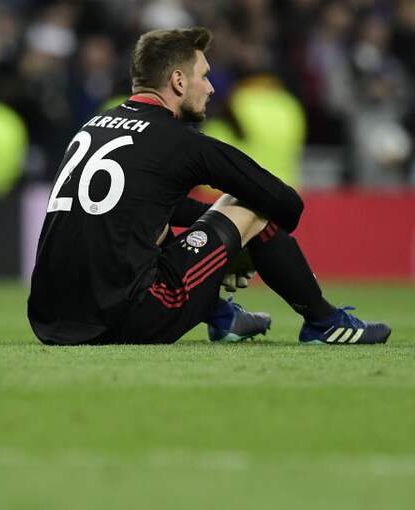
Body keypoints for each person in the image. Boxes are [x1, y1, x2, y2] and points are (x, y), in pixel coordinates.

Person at [27, 27, 391, 345]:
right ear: (179, 81)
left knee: (152, 223)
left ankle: (220, 316)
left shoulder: (94, 124)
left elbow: (141, 203)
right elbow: (286, 204)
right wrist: (235, 242)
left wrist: (216, 233)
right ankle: (324, 321)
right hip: (124, 320)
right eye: (204, 75)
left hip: (47, 317)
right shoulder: (181, 142)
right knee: (251, 206)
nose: (212, 87)